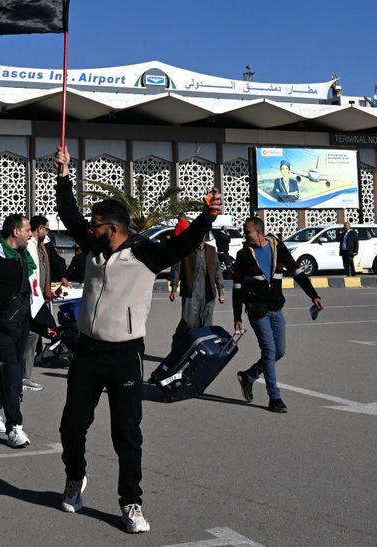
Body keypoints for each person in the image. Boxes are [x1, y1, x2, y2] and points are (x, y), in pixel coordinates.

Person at [53, 145, 222, 534]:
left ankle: (131, 503)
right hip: (87, 352)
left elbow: (181, 245)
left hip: (125, 354)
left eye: (96, 225)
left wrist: (206, 216)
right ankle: (75, 479)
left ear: (112, 228)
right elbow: (68, 213)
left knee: (126, 434)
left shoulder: (145, 253)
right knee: (71, 427)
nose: (89, 230)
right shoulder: (95, 248)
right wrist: (63, 173)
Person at [233, 217, 324, 414]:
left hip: (276, 307)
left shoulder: (278, 248)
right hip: (256, 309)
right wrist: (237, 316)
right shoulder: (243, 255)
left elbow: (297, 272)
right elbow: (237, 288)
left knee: (279, 351)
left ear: (259, 232)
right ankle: (274, 397)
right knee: (269, 350)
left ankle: (249, 376)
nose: (244, 235)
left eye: (247, 231)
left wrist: (313, 295)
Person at [0, 214, 36, 449]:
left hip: (21, 325)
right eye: (27, 230)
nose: (31, 233)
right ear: (15, 232)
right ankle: (15, 426)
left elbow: (30, 291)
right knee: (12, 373)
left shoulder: (23, 257)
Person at [23, 215, 68, 391]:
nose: (47, 233)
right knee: (29, 337)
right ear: (39, 229)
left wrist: (47, 291)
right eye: (46, 229)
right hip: (29, 300)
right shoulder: (29, 245)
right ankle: (20, 376)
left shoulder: (41, 246)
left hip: (38, 298)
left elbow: (51, 263)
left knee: (33, 337)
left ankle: (24, 376)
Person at [168, 231, 226, 346]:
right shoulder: (186, 250)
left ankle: (201, 351)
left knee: (206, 325)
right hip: (191, 293)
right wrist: (174, 289)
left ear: (205, 237)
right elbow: (177, 271)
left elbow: (217, 271)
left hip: (208, 294)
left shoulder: (211, 250)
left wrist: (221, 291)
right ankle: (177, 347)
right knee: (188, 322)